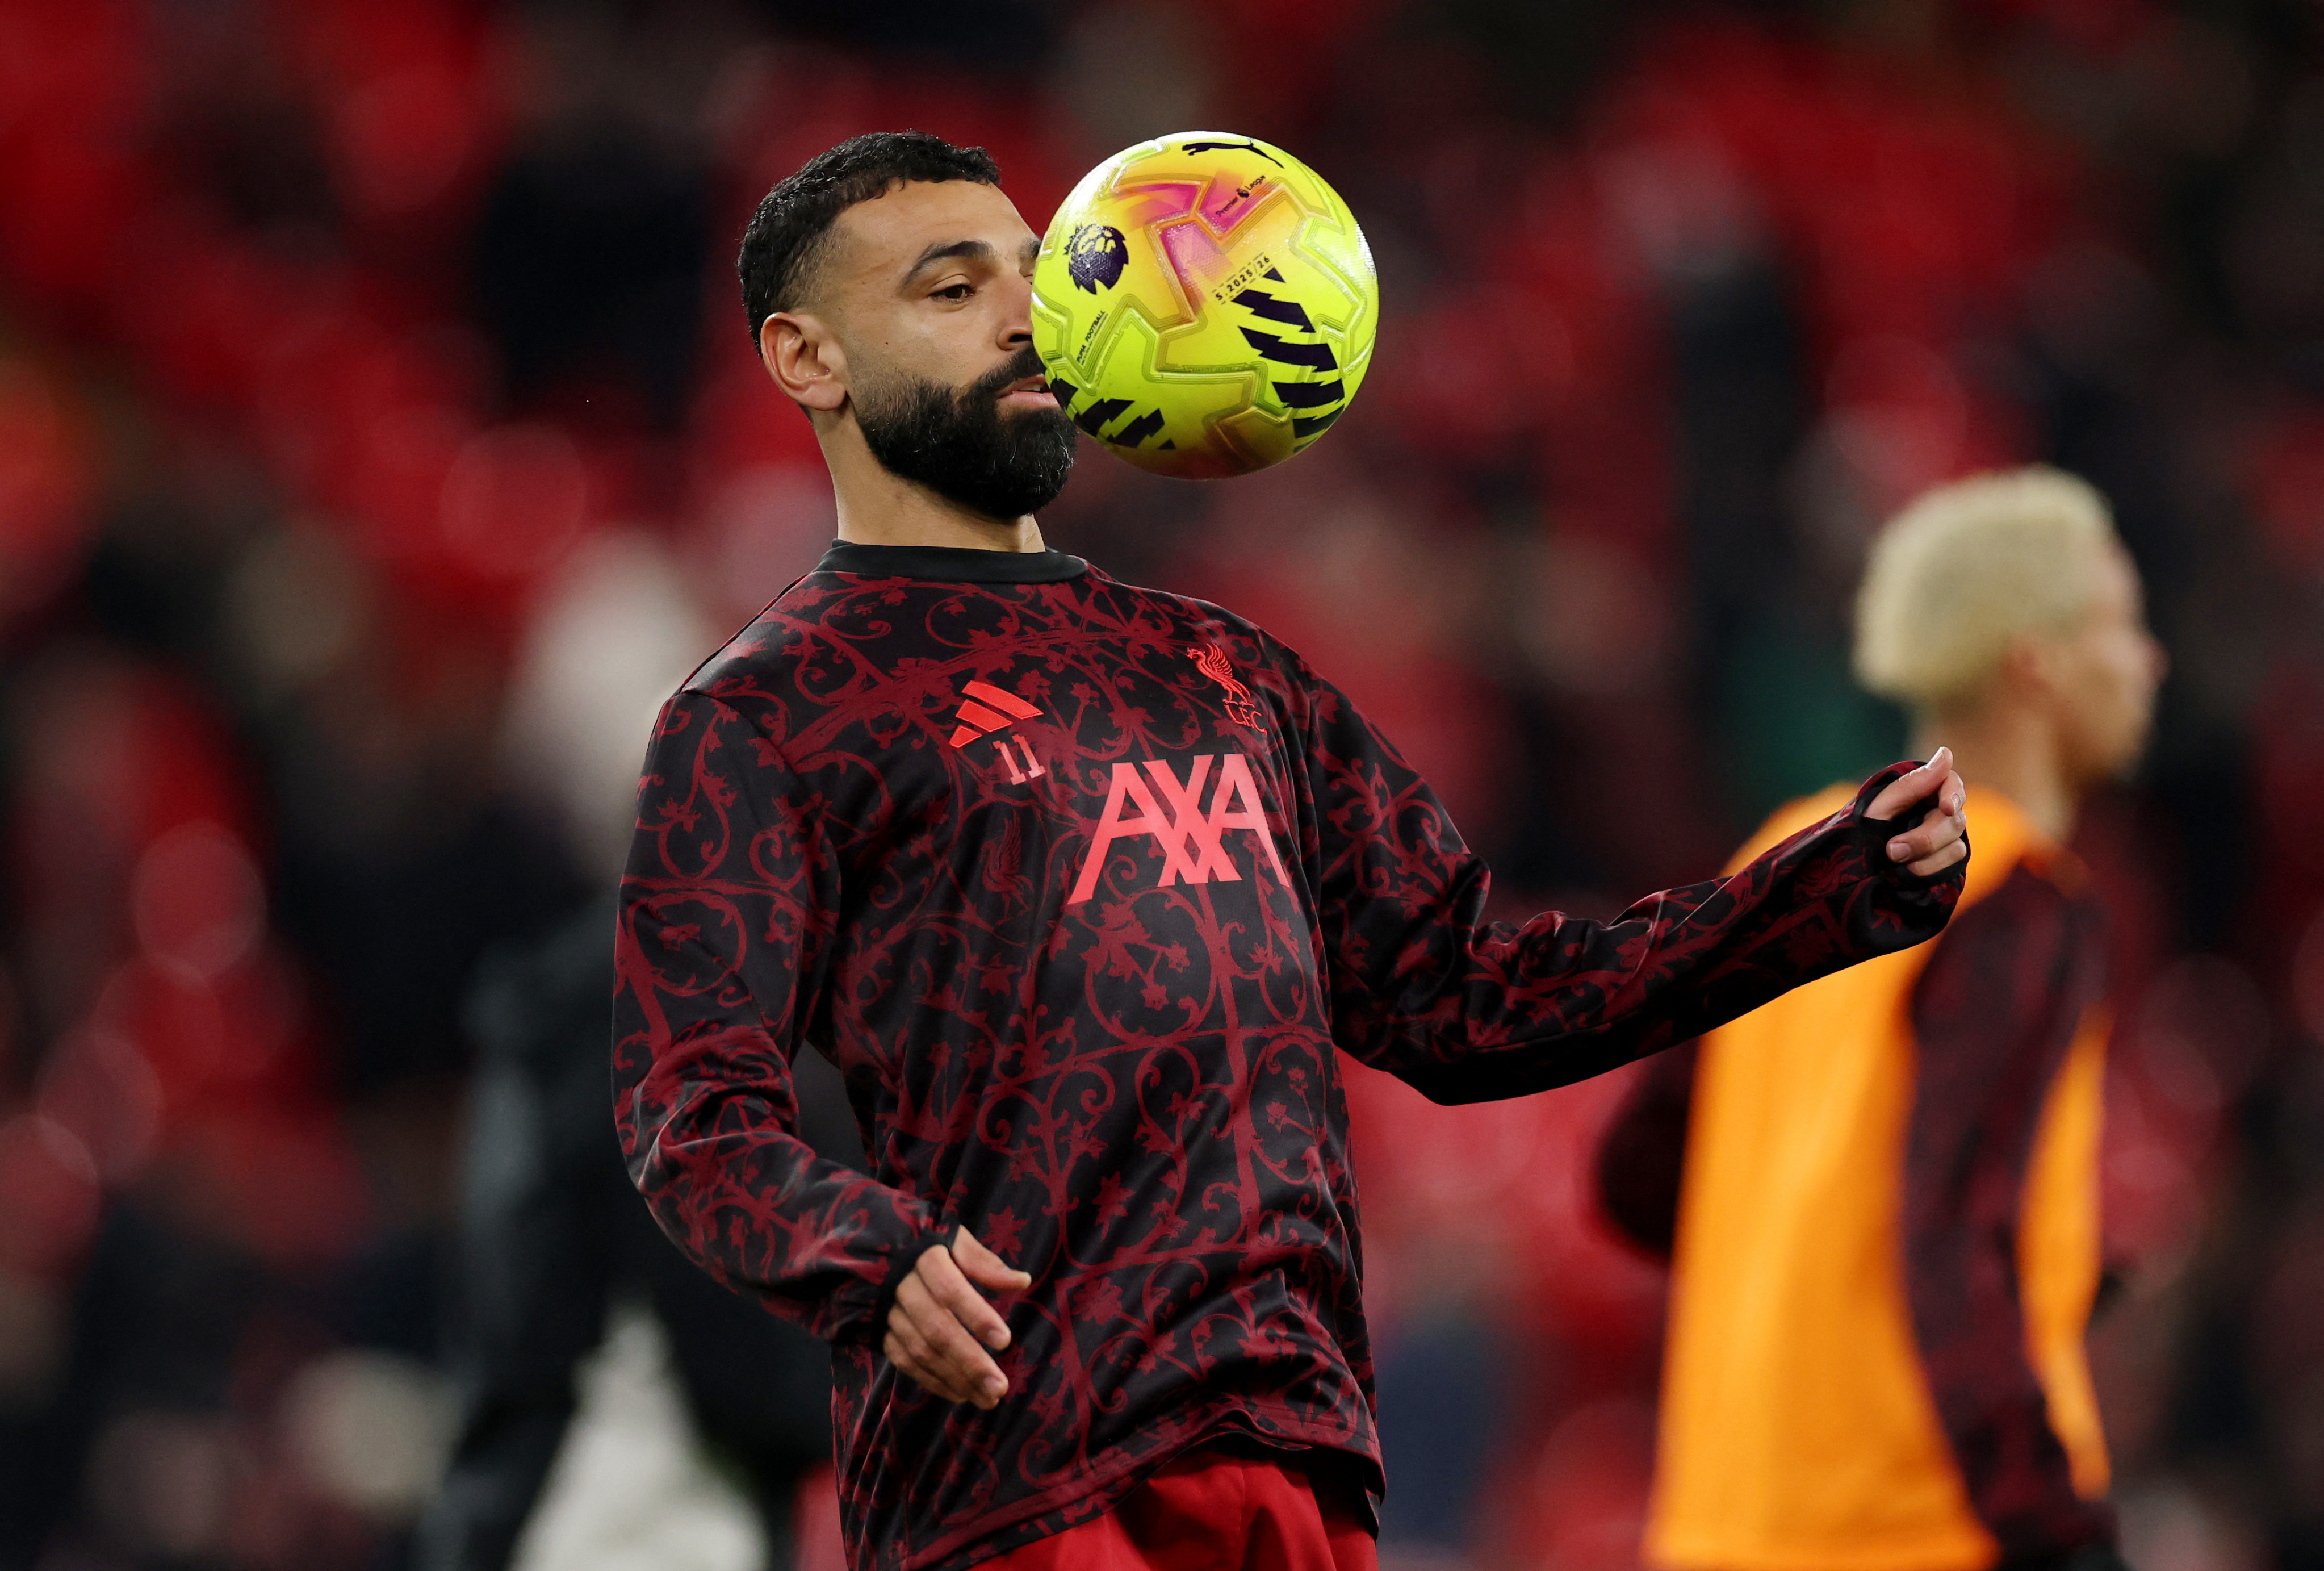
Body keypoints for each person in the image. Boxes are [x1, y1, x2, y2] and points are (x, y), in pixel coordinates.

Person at [614, 130, 1971, 1571]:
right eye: (953, 290)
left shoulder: (1227, 671)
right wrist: (869, 1258)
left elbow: (1467, 995)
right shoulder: (763, 712)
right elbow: (690, 1114)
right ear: (807, 359)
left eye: (1036, 273)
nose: (1028, 316)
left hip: (1297, 1456)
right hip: (1018, 1482)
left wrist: (1825, 893)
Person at [1599, 467, 2166, 1571]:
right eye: (2117, 624)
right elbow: (1954, 1241)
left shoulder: (1795, 853)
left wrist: (1804, 1271)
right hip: (1916, 1533)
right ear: (2035, 663)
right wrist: (2060, 1534)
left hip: (1720, 1528)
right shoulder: (2013, 902)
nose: (2146, 660)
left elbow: (1634, 1175)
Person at [419, 897, 866, 1571]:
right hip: (641, 1517)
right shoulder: (682, 999)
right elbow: (752, 1375)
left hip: (556, 1497)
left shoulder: (592, 981)